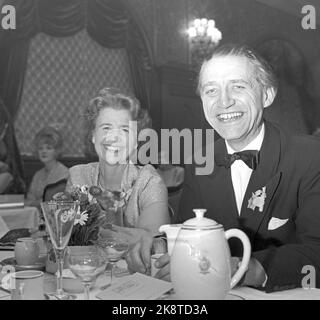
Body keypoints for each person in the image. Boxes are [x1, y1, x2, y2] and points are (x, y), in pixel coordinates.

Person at [126, 43, 320, 293]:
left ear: (267, 94)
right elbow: (191, 232)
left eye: (238, 86)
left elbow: (316, 250)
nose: (224, 101)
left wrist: (247, 268)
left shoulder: (310, 156)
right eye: (211, 90)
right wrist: (161, 246)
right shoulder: (200, 160)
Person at [65, 87, 170, 243]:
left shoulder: (148, 181)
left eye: (125, 130)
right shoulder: (78, 176)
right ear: (93, 135)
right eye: (106, 127)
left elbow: (152, 240)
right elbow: (65, 237)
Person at [25, 126, 69, 208]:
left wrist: (38, 202)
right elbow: (28, 201)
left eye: (49, 148)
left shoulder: (64, 173)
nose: (44, 151)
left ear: (57, 151)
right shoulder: (38, 174)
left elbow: (55, 202)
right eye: (40, 148)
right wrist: (40, 202)